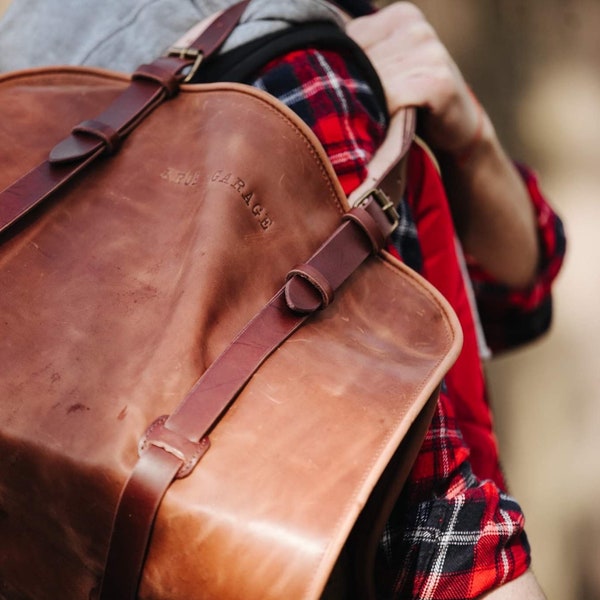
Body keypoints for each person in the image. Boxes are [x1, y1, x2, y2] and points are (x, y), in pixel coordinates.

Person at [0, 1, 565, 598]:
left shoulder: (27, 41)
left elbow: (517, 289)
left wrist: (469, 139)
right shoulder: (304, 72)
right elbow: (429, 532)